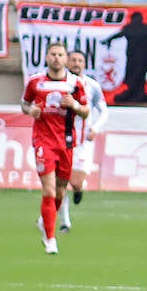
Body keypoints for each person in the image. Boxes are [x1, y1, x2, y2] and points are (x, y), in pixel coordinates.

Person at [22, 42, 89, 255]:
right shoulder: (35, 81)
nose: (57, 58)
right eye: (53, 54)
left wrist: (75, 106)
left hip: (67, 141)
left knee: (60, 190)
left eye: (60, 55)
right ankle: (50, 239)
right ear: (46, 57)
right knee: (49, 189)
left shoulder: (75, 84)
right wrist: (30, 110)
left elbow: (86, 111)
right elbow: (24, 104)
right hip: (43, 141)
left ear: (65, 58)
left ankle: (45, 220)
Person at [59, 50, 108, 233]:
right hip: (61, 138)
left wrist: (95, 128)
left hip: (82, 140)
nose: (76, 63)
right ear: (66, 62)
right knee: (61, 180)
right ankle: (65, 222)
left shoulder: (92, 86)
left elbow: (104, 111)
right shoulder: (59, 84)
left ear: (84, 64)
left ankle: (78, 191)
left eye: (80, 60)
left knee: (75, 181)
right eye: (73, 60)